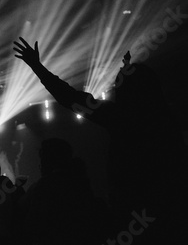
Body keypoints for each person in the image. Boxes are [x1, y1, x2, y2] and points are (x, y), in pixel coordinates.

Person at [13, 37, 188, 243]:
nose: (114, 89)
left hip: (130, 211)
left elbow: (69, 97)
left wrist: (37, 66)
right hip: (169, 216)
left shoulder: (121, 118)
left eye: (118, 85)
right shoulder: (167, 122)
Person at [15, 138, 106, 245]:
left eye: (42, 159)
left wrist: (18, 189)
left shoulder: (45, 185)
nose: (40, 165)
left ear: (47, 160)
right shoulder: (81, 183)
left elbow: (32, 223)